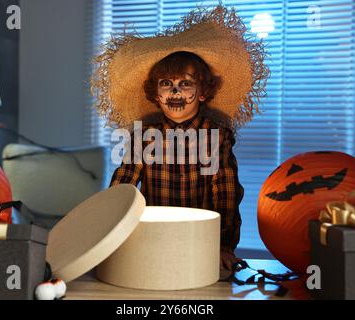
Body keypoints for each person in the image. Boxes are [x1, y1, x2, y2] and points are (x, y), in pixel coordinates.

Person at [91, 5, 269, 272]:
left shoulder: (215, 136)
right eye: (166, 84)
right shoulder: (144, 136)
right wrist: (111, 229)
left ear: (202, 92)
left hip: (201, 240)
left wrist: (224, 245)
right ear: (156, 94)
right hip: (151, 237)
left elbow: (226, 192)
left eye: (185, 84)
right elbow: (124, 182)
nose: (175, 92)